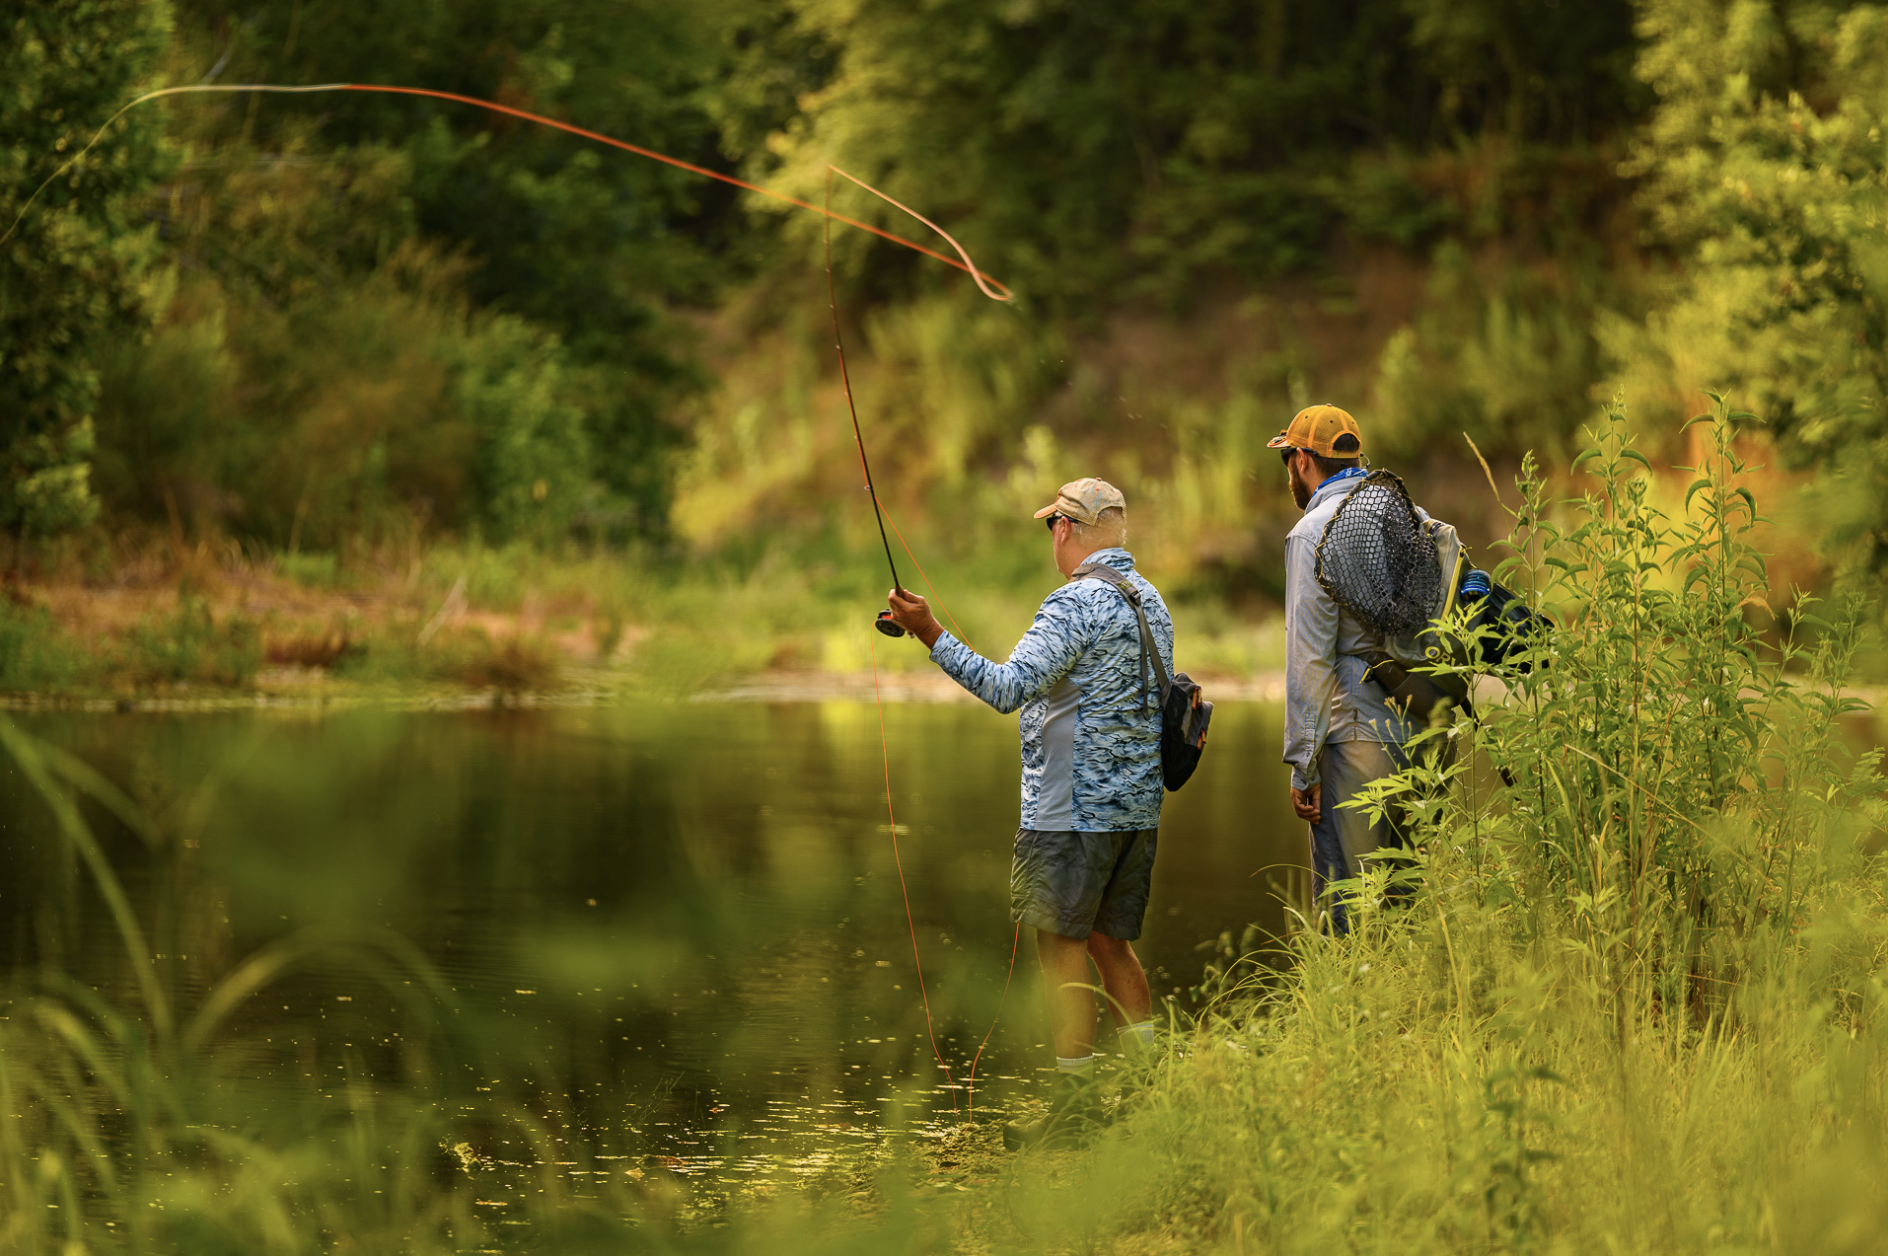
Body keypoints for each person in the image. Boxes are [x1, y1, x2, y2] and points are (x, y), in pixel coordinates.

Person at [883, 477, 1172, 1148]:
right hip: (1137, 811)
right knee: (1111, 944)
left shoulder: (1074, 604)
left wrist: (929, 633)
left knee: (1062, 949)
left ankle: (1073, 1110)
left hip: (1071, 813)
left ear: (1066, 530)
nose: (1053, 539)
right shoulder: (1149, 600)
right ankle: (1154, 1089)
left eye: (1053, 528)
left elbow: (1006, 688)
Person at [1270, 404, 1432, 934]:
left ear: (1302, 460)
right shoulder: (1411, 516)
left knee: (1350, 913)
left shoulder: (1311, 532)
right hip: (1425, 724)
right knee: (1408, 903)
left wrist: (1304, 766)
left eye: (1288, 459)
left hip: (1354, 734)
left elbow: (1310, 658)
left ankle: (1355, 1014)